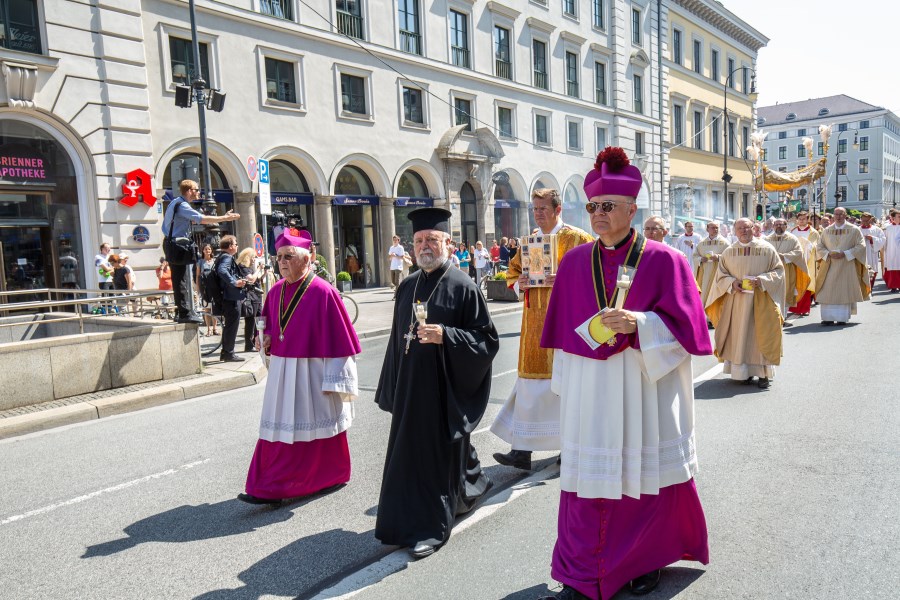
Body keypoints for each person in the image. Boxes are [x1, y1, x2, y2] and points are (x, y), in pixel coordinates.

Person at [538, 148, 712, 600]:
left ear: (633, 210)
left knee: (644, 472)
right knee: (588, 477)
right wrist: (565, 384)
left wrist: (642, 324)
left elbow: (688, 332)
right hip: (591, 387)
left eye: (608, 206)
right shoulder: (575, 262)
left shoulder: (666, 260)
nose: (598, 213)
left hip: (642, 382)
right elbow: (562, 332)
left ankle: (643, 559)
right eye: (592, 206)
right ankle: (579, 570)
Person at [375, 207, 499, 560]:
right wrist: (392, 386)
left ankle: (430, 528)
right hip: (411, 390)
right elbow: (397, 340)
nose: (425, 246)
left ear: (447, 242)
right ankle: (401, 525)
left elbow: (486, 341)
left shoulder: (464, 287)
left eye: (432, 239)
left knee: (433, 462)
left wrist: (446, 335)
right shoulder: (408, 286)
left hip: (443, 393)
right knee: (405, 459)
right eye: (418, 240)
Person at [239, 229, 361, 505]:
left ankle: (329, 475)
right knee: (280, 430)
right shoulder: (275, 291)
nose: (281, 262)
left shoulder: (324, 291)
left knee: (319, 431)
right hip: (283, 371)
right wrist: (267, 337)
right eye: (279, 257)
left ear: (307, 259)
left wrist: (337, 381)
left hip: (315, 373)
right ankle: (269, 484)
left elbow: (342, 341)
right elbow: (268, 326)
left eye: (288, 257)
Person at [491, 188, 593, 470]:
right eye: (534, 209)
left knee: (564, 387)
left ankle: (568, 449)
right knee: (528, 387)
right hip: (534, 324)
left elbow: (593, 276)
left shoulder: (577, 238)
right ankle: (522, 451)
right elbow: (512, 272)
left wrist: (562, 278)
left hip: (564, 324)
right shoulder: (531, 241)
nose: (538, 213)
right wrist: (518, 283)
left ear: (558, 210)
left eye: (543, 208)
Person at [705, 218, 785, 389]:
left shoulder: (766, 249)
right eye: (740, 228)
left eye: (747, 227)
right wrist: (732, 283)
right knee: (739, 335)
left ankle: (764, 374)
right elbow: (720, 276)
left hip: (761, 299)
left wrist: (762, 280)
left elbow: (778, 271)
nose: (743, 231)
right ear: (735, 231)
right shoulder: (728, 252)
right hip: (737, 301)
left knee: (761, 335)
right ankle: (743, 372)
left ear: (753, 229)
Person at [161, 179, 240, 324]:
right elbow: (201, 219)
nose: (199, 192)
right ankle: (184, 313)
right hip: (178, 244)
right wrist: (225, 218)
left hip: (172, 243)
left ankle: (182, 311)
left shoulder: (175, 202)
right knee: (182, 279)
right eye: (197, 190)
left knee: (180, 278)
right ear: (189, 190)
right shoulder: (182, 205)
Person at [814, 207, 869, 325]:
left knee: (844, 290)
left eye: (841, 214)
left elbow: (861, 246)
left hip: (847, 265)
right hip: (829, 264)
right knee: (827, 289)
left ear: (845, 215)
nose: (838, 217)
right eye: (836, 214)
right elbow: (819, 246)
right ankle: (827, 318)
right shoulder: (827, 230)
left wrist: (846, 253)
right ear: (833, 216)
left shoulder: (854, 230)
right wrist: (828, 253)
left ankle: (841, 318)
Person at [765, 219, 809, 320]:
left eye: (781, 225)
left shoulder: (792, 239)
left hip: (787, 269)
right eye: (776, 225)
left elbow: (798, 252)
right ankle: (773, 316)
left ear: (786, 226)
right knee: (771, 291)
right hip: (770, 269)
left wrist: (784, 256)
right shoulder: (767, 239)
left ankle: (783, 317)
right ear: (773, 226)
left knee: (785, 291)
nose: (778, 227)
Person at [215, 235, 247, 362]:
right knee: (232, 325)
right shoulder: (227, 257)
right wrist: (235, 282)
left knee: (229, 325)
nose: (237, 246)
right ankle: (229, 353)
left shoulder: (221, 257)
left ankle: (225, 352)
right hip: (231, 297)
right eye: (236, 243)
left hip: (226, 296)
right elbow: (222, 271)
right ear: (230, 246)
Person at [789, 211, 820, 316]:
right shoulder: (792, 232)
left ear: (808, 220)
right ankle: (794, 308)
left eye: (804, 219)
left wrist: (807, 244)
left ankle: (805, 309)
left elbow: (816, 246)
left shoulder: (813, 232)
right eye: (800, 219)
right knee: (794, 284)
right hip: (794, 261)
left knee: (806, 283)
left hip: (808, 260)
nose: (801, 221)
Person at [694, 221, 730, 310]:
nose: (715, 230)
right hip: (705, 273)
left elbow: (730, 257)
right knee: (705, 293)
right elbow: (695, 256)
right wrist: (700, 259)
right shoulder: (702, 243)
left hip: (718, 273)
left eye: (717, 228)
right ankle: (705, 316)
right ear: (707, 229)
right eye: (713, 228)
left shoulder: (724, 243)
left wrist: (718, 257)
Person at [235, 248, 264, 353]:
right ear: (247, 257)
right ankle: (249, 344)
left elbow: (257, 280)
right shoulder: (242, 267)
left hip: (256, 296)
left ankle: (257, 341)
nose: (254, 260)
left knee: (260, 319)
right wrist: (259, 269)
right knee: (251, 321)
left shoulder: (249, 268)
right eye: (253, 257)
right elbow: (251, 279)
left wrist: (263, 272)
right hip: (251, 297)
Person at [195, 244, 218, 336]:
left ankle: (215, 329)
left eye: (209, 249)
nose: (207, 250)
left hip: (214, 288)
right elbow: (197, 275)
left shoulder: (215, 261)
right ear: (203, 251)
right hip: (205, 288)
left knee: (215, 309)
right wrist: (197, 288)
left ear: (211, 251)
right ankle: (208, 329)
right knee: (207, 309)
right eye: (206, 249)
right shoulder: (200, 262)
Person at [858, 212, 885, 290]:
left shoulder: (876, 229)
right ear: (861, 220)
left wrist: (872, 239)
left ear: (870, 220)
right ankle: (862, 290)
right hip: (861, 254)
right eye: (863, 220)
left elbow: (882, 240)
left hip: (872, 254)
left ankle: (870, 288)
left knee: (872, 271)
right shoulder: (857, 229)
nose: (865, 222)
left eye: (867, 221)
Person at [883, 209, 900, 291]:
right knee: (893, 267)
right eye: (899, 217)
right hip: (891, 251)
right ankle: (893, 285)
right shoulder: (888, 228)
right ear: (893, 218)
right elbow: (884, 240)